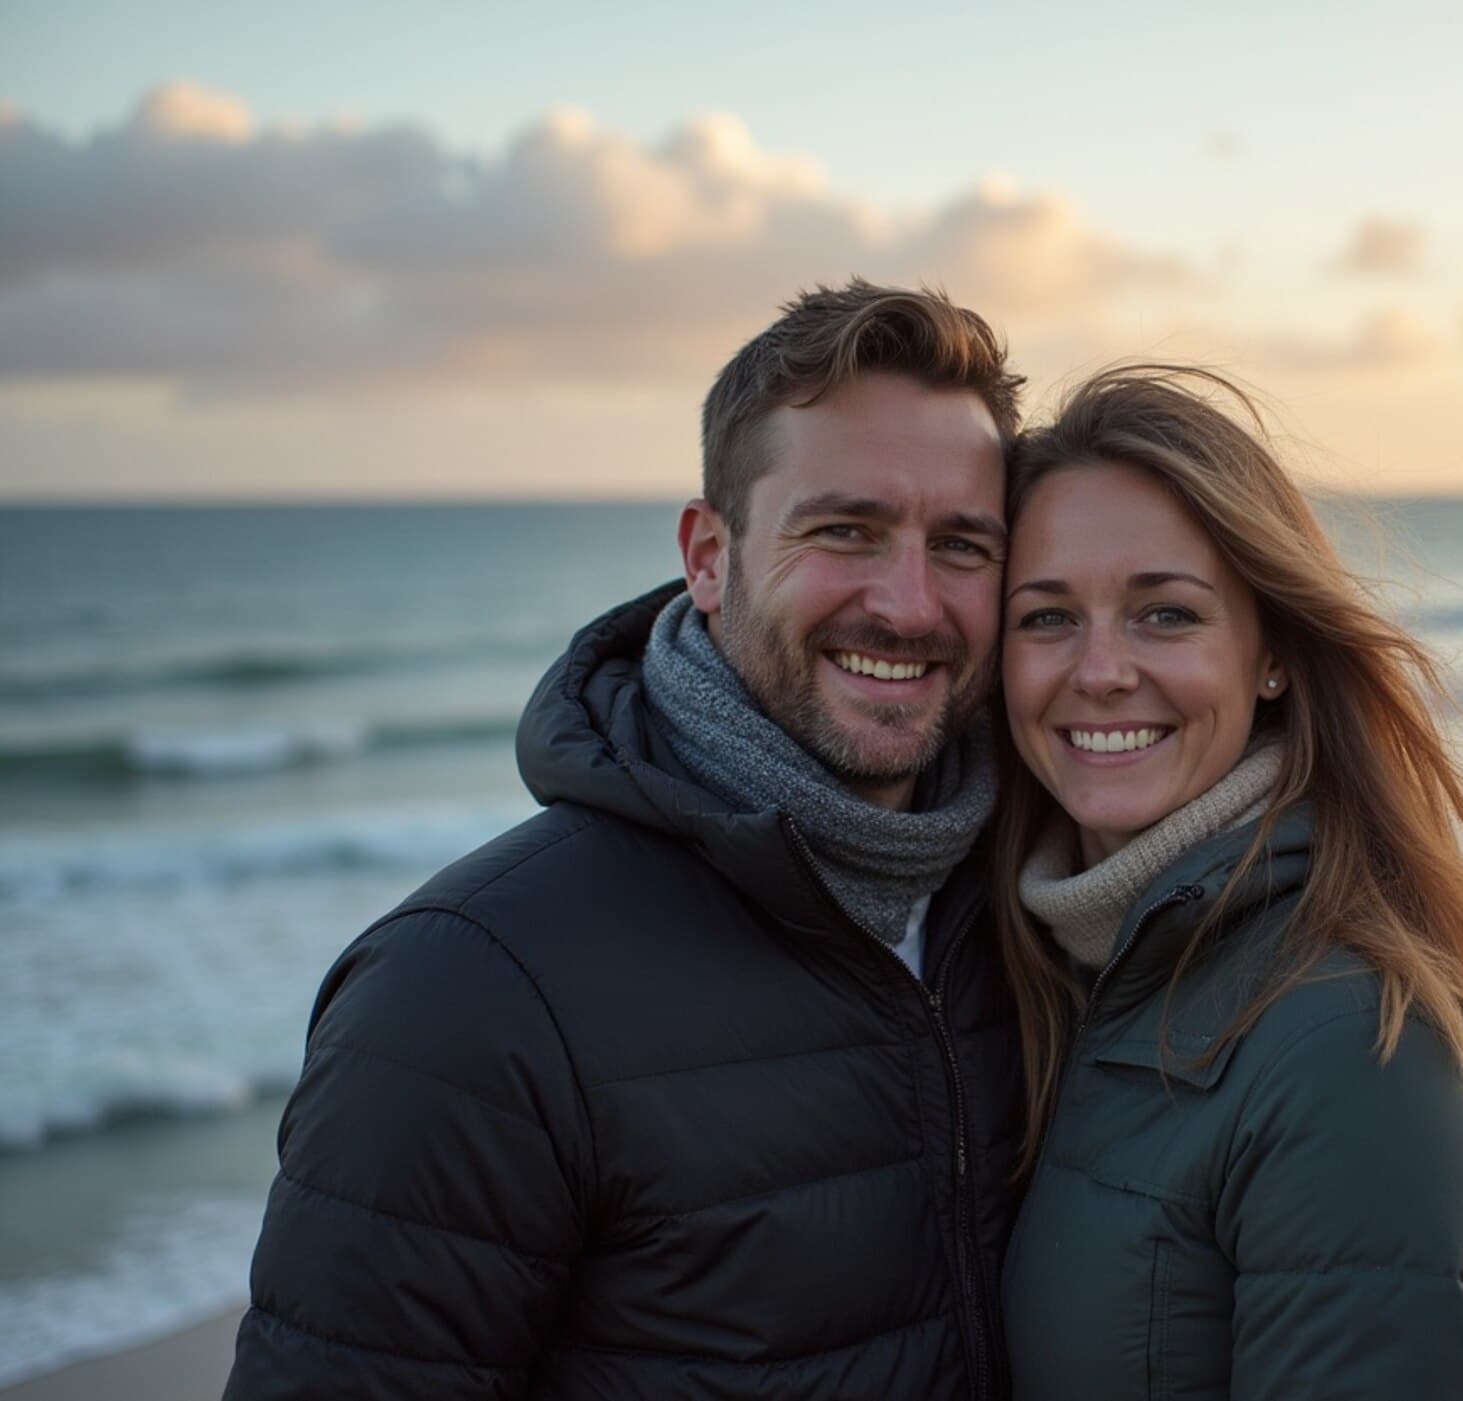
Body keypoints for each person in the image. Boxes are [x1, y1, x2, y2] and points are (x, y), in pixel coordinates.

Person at [226, 281, 1027, 1400]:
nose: (906, 604)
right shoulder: (466, 991)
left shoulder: (1036, 904)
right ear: (708, 556)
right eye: (843, 530)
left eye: (960, 546)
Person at [994, 366, 1463, 1399]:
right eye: (1044, 619)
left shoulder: (1356, 1045)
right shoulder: (1051, 969)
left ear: (1270, 654)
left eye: (1164, 615)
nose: (1097, 670)